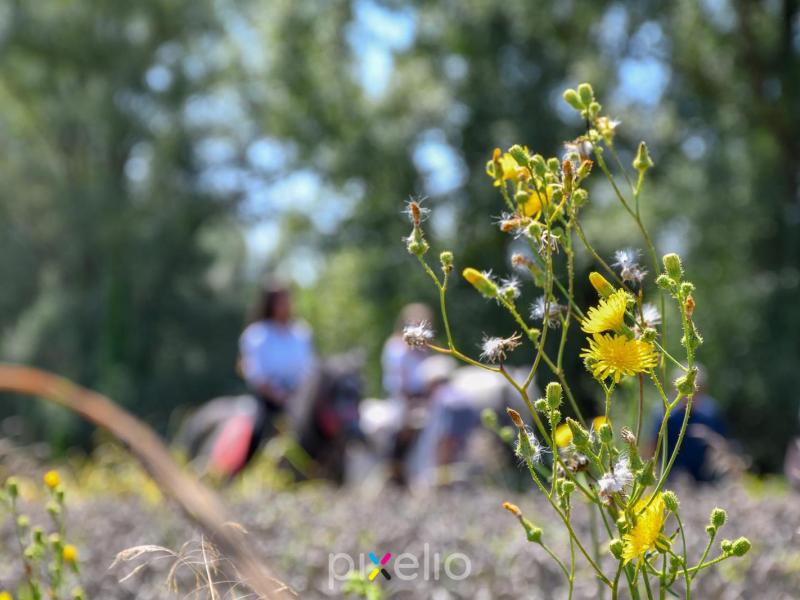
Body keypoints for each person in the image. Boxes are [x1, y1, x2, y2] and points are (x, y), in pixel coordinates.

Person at [239, 281, 316, 412]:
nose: (286, 305)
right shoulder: (257, 334)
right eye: (280, 302)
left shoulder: (301, 332)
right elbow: (254, 372)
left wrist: (300, 395)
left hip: (300, 399)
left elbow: (310, 367)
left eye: (287, 300)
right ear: (271, 304)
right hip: (267, 401)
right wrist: (278, 396)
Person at [381, 303, 433, 485]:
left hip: (424, 398)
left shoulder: (425, 350)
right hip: (403, 398)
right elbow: (398, 380)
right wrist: (412, 401)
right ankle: (395, 468)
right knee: (408, 425)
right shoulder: (396, 347)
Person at [649, 365, 728, 482]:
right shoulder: (663, 414)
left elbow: (722, 445)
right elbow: (651, 447)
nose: (691, 395)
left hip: (706, 480)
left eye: (697, 390)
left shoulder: (711, 414)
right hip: (672, 479)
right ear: (675, 388)